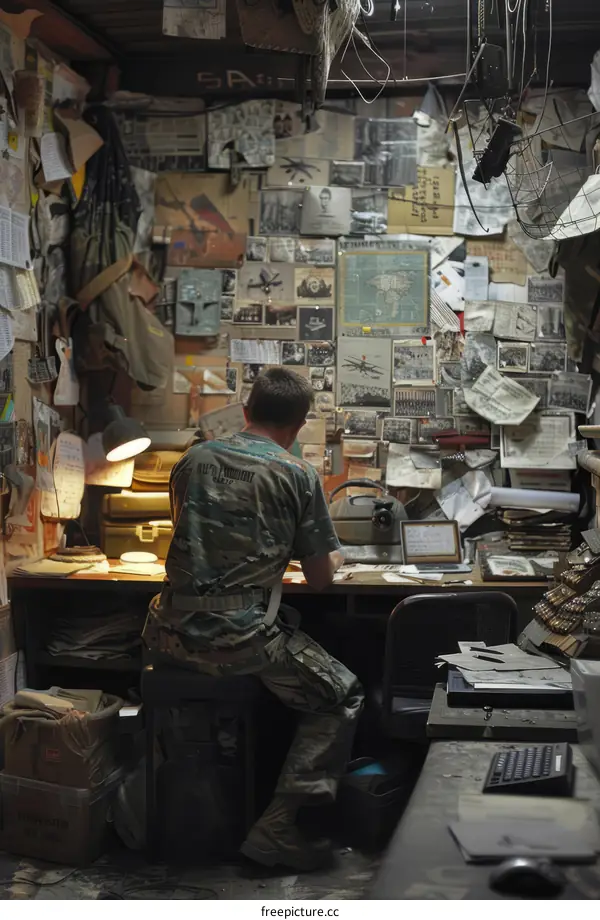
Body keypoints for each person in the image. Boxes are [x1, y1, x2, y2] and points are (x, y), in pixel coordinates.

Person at [143, 368, 363, 870]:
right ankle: (277, 829)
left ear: (245, 411)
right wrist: (338, 557)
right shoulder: (297, 474)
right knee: (341, 694)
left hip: (169, 633)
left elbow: (195, 539)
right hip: (238, 640)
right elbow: (322, 580)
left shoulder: (192, 459)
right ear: (302, 423)